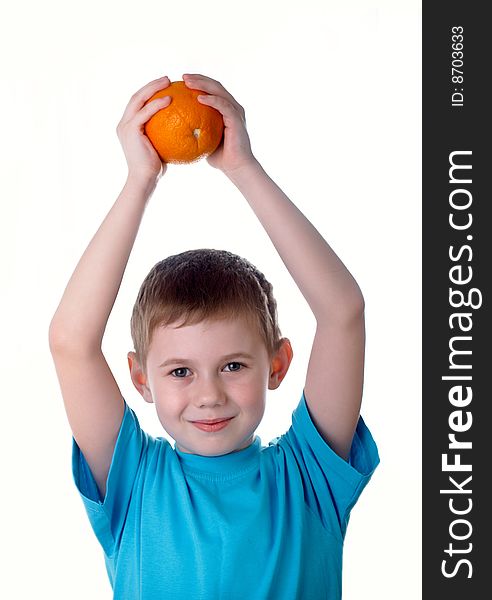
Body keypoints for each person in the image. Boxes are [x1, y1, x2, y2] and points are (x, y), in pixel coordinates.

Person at [49, 73, 379, 599]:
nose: (209, 394)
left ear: (277, 363)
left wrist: (244, 168)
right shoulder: (133, 480)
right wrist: (139, 182)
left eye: (233, 365)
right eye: (180, 370)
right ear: (140, 377)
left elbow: (343, 312)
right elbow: (71, 342)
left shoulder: (311, 479)